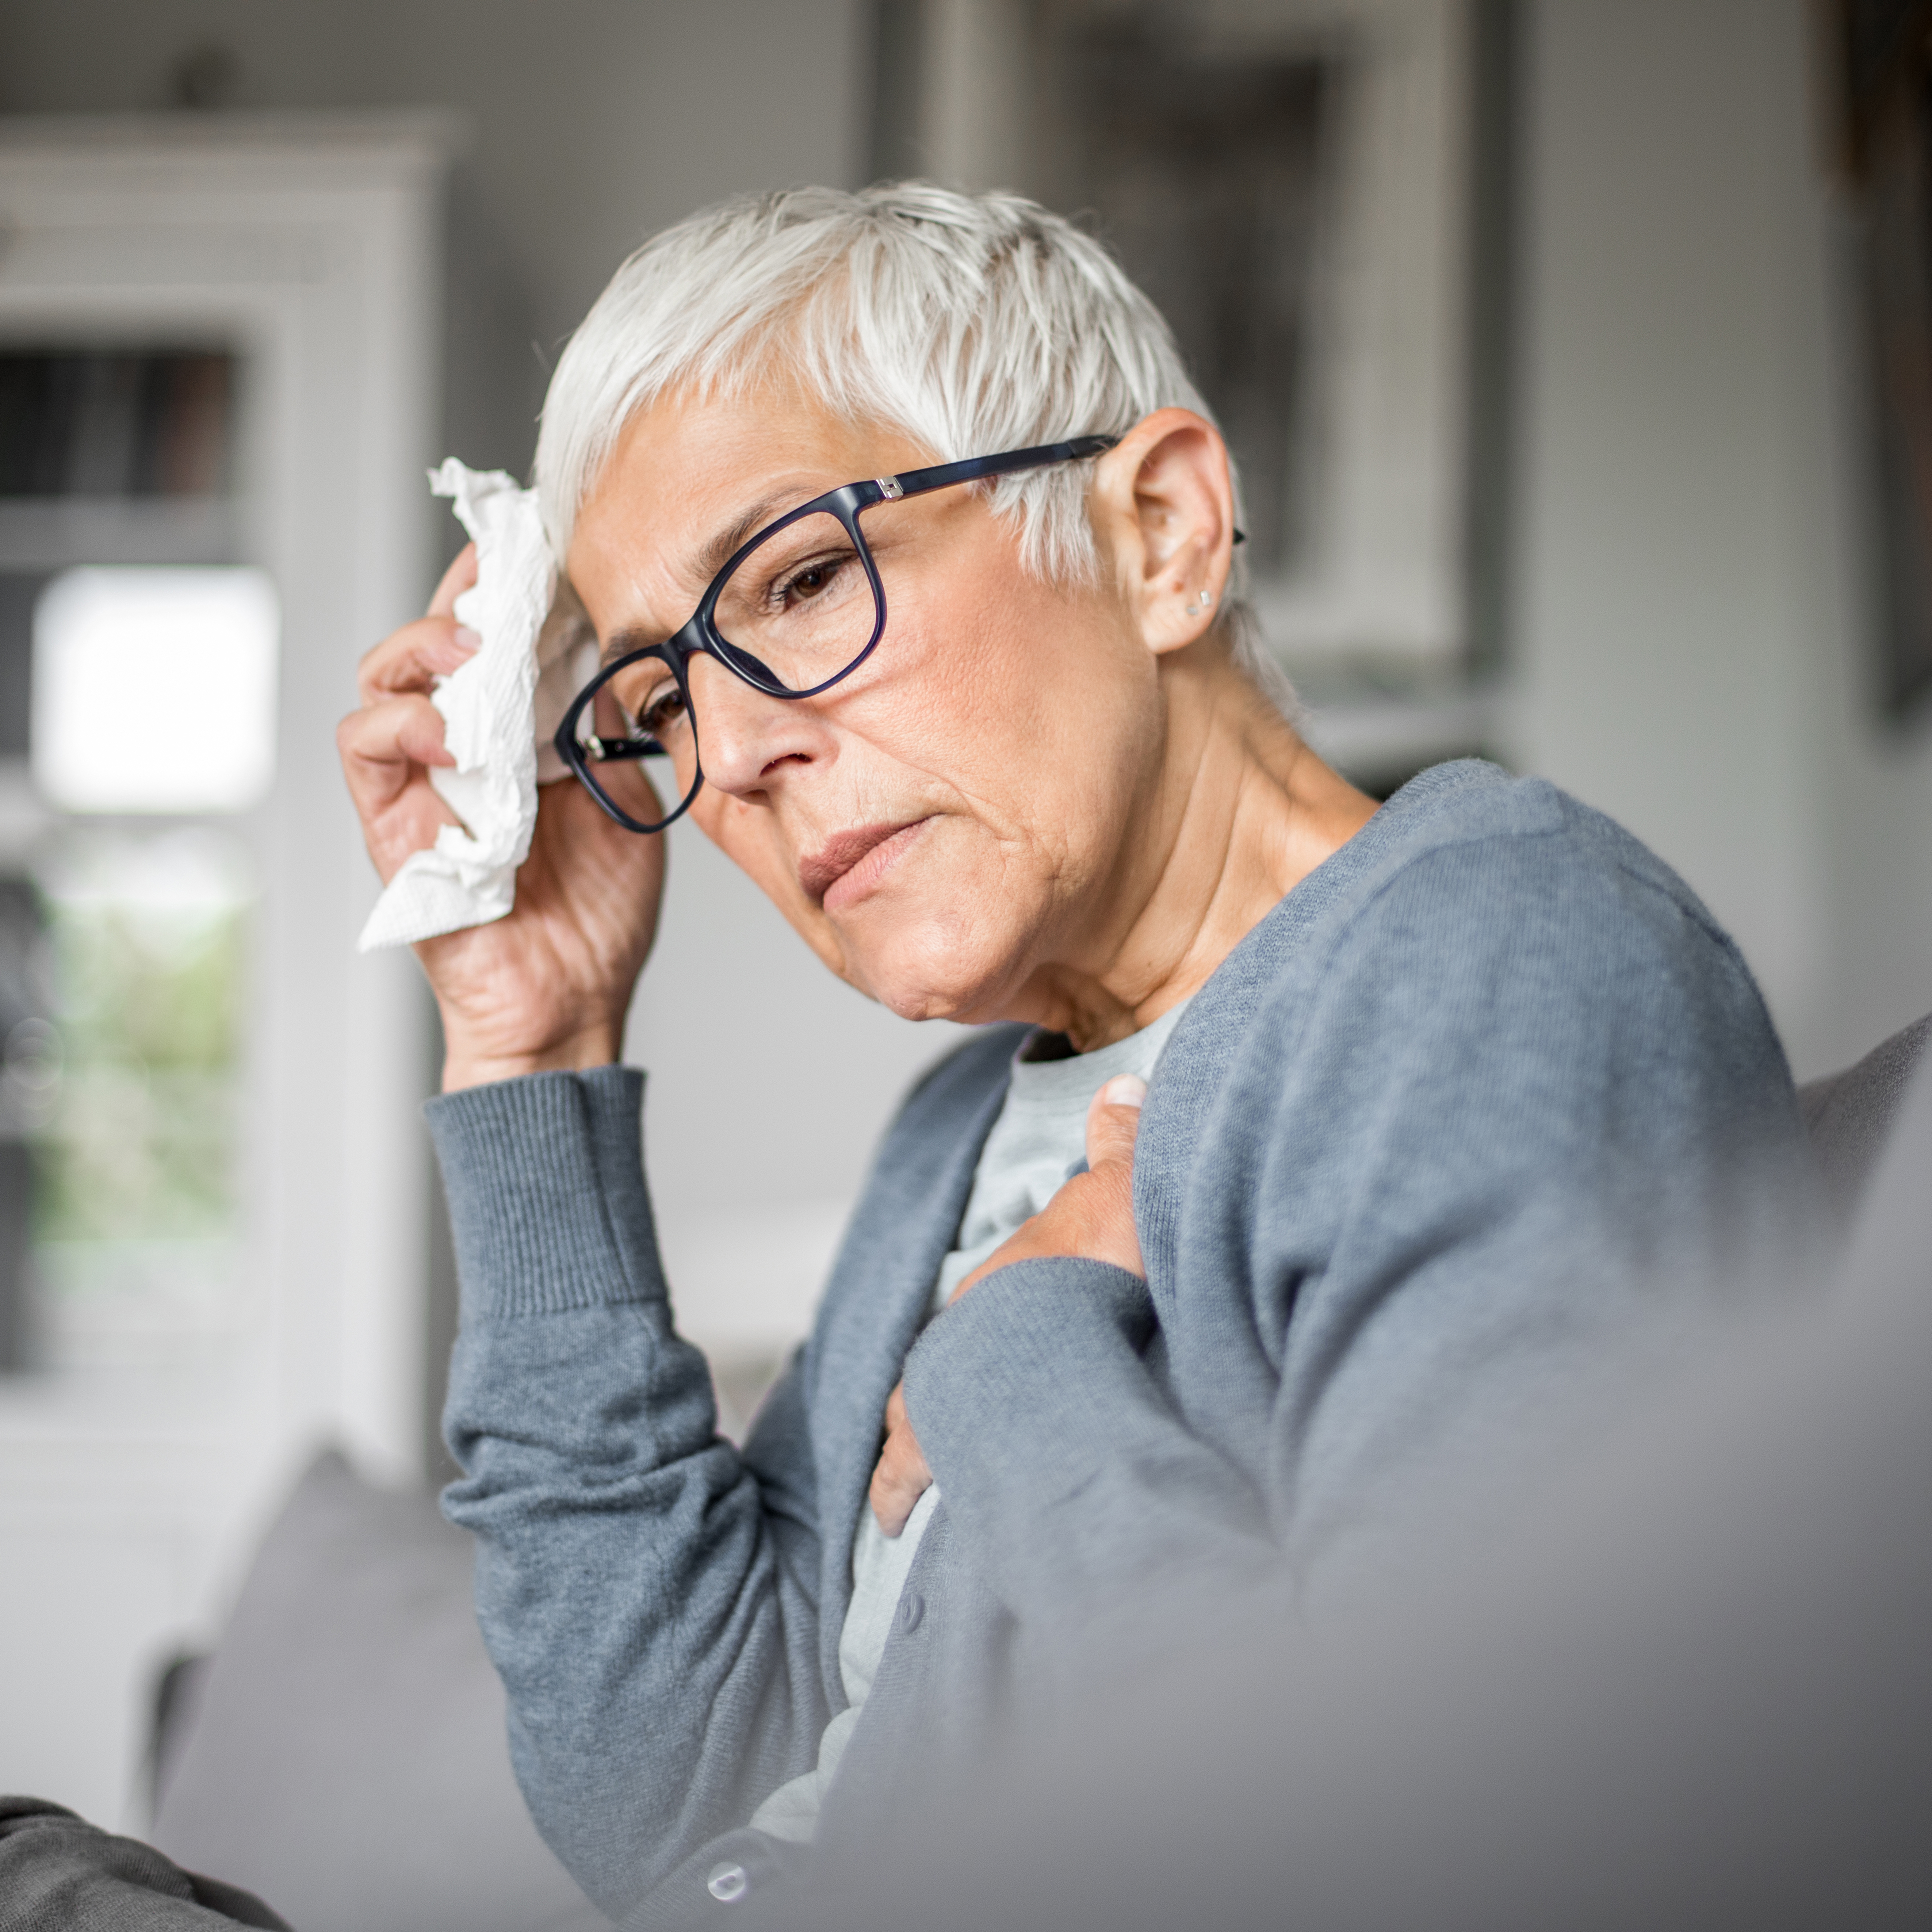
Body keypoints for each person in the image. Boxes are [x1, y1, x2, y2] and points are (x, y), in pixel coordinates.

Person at [336, 183, 1820, 1927]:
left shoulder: (1493, 969)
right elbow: (675, 1799)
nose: (725, 757)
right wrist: (537, 1040)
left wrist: (1021, 1350)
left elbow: (1455, 1834)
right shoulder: (963, 1127)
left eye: (802, 580)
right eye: (659, 700)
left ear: (1162, 535)